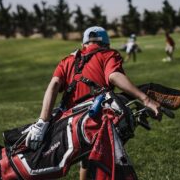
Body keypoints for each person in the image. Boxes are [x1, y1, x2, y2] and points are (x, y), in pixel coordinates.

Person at [24, 26, 161, 180]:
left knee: (86, 159)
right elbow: (114, 76)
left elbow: (54, 85)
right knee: (106, 163)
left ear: (84, 45)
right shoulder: (108, 54)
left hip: (73, 126)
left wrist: (42, 122)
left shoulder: (68, 60)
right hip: (97, 122)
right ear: (106, 44)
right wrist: (146, 99)